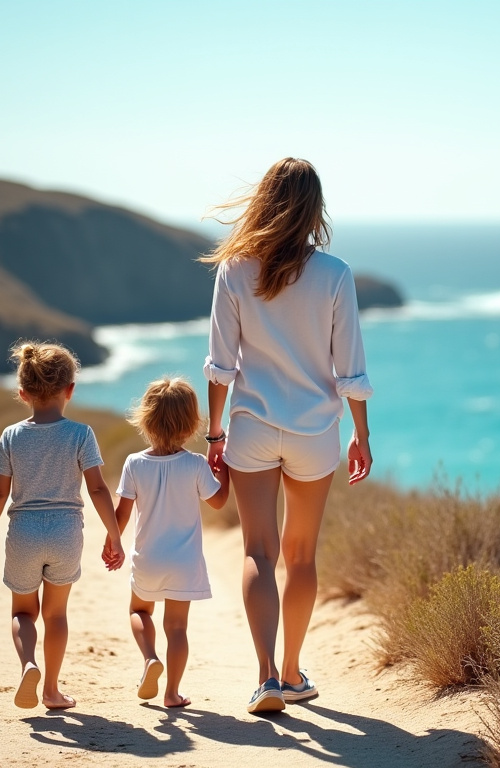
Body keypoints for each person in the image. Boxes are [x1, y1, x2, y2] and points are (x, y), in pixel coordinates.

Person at [202, 157, 374, 714]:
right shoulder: (335, 275)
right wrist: (361, 435)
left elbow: (220, 367)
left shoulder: (233, 271)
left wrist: (213, 436)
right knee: (301, 557)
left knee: (258, 551)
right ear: (314, 209)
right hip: (316, 433)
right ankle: (296, 671)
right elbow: (350, 369)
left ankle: (267, 677)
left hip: (251, 429)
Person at [0, 341, 126, 710]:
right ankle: (52, 691)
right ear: (70, 390)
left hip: (23, 532)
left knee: (22, 612)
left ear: (22, 393)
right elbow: (96, 487)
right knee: (56, 614)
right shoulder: (81, 434)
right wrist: (115, 533)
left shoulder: (11, 435)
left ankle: (29, 664)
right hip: (65, 532)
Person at [106, 377, 230, 708]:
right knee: (176, 628)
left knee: (138, 610)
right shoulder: (195, 464)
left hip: (148, 559)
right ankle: (172, 693)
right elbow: (218, 502)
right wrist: (224, 469)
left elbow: (121, 513)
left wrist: (112, 542)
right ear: (191, 424)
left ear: (145, 419)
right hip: (184, 562)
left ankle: (149, 658)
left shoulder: (135, 463)